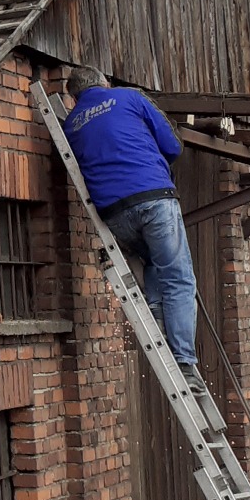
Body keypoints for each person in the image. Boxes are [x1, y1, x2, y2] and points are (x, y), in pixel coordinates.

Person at [62, 64, 201, 379]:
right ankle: (184, 362)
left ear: (74, 96)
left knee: (153, 263)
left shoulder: (71, 124)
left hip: (114, 213)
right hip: (154, 198)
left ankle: (162, 335)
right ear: (104, 83)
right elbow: (173, 146)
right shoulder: (130, 98)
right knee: (178, 278)